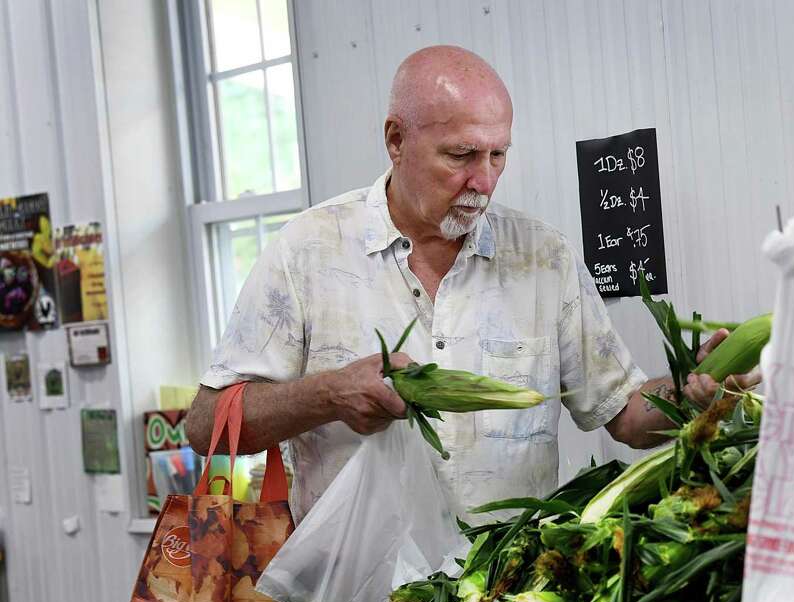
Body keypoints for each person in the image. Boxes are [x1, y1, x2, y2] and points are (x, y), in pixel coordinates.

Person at [186, 45, 753, 521]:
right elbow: (206, 425)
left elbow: (624, 415)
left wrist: (693, 392)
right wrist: (327, 395)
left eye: (498, 155)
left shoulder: (543, 259)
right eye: (459, 156)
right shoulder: (307, 250)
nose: (483, 181)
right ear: (395, 140)